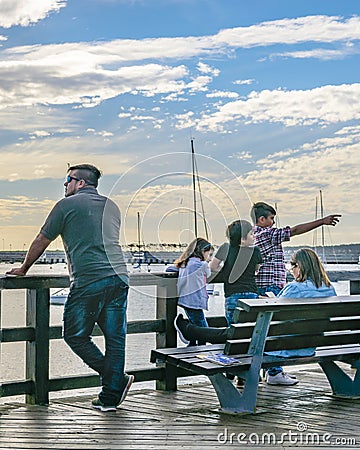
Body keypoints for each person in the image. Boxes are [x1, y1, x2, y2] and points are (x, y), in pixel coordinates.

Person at [6, 164, 133, 412]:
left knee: (74, 335)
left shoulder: (66, 206)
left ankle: (116, 381)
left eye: (68, 180)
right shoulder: (112, 206)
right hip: (119, 278)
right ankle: (109, 398)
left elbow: (43, 239)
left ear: (81, 183)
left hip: (89, 279)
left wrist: (23, 269)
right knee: (115, 339)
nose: (65, 185)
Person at [174, 248, 337, 386]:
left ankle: (190, 331)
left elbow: (275, 311)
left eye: (292, 266)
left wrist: (266, 300)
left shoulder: (295, 288)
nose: (290, 270)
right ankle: (191, 330)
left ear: (300, 266)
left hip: (282, 348)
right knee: (234, 334)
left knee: (235, 335)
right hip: (308, 347)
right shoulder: (329, 289)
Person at [250, 202, 341, 296]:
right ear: (261, 219)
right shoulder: (267, 234)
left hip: (261, 285)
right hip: (271, 286)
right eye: (272, 218)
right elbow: (294, 231)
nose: (274, 222)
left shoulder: (252, 236)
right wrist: (322, 221)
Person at [209, 220, 262, 325]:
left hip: (232, 295)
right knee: (251, 329)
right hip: (251, 294)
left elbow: (212, 267)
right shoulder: (255, 251)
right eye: (251, 234)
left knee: (233, 330)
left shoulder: (226, 248)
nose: (254, 236)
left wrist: (226, 271)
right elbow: (257, 269)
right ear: (242, 239)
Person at [172, 237, 213, 345]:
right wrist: (208, 263)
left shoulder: (185, 263)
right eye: (208, 254)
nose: (208, 257)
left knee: (195, 323)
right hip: (195, 300)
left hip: (185, 299)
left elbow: (171, 269)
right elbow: (208, 274)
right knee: (204, 329)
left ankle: (192, 343)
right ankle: (186, 332)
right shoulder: (202, 265)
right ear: (202, 252)